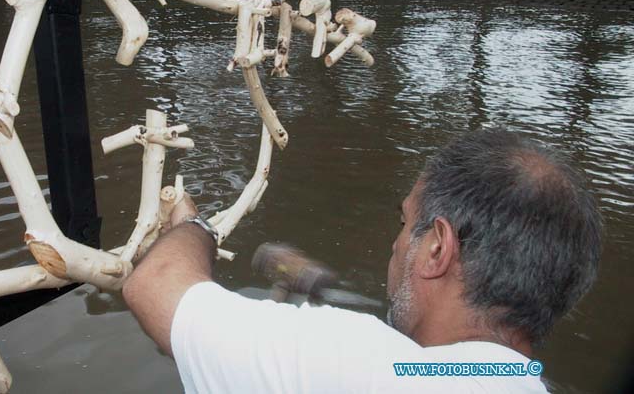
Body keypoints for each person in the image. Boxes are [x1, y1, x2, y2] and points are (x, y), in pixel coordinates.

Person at [122, 129, 602, 393]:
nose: (396, 245)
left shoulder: (358, 364)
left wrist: (192, 226)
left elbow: (157, 286)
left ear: (436, 248)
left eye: (403, 224)